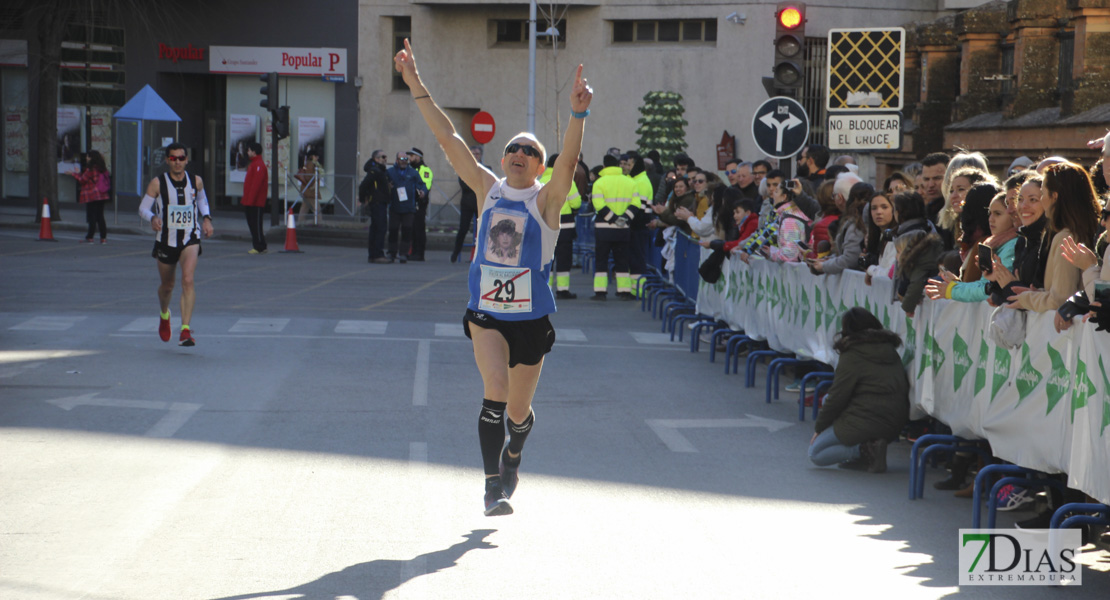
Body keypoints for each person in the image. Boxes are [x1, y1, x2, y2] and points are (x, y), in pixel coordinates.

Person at [394, 37, 592, 516]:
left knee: (519, 416)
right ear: (503, 159)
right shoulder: (487, 187)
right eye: (512, 148)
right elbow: (448, 139)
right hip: (486, 313)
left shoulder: (546, 199)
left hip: (532, 317)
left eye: (530, 150)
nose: (519, 153)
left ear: (539, 165)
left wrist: (578, 116)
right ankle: (490, 488)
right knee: (495, 391)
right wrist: (415, 82)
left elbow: (568, 164)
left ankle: (514, 454)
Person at [808, 307, 909, 474]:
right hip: (893, 421)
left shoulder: (852, 355)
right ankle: (869, 447)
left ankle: (864, 451)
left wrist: (818, 429)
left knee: (815, 453)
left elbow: (837, 397)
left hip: (866, 418)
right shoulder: (889, 349)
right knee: (828, 401)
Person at [137, 143, 214, 347]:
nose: (177, 162)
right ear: (167, 160)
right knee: (167, 286)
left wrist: (206, 218)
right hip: (166, 240)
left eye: (181, 158)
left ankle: (185, 330)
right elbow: (143, 208)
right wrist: (152, 217)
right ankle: (164, 314)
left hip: (190, 237)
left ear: (186, 160)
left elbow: (202, 200)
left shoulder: (195, 181)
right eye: (173, 158)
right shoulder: (157, 183)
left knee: (188, 280)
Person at [1000, 161, 1101, 313]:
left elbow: (1060, 299)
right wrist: (1035, 294)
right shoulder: (1086, 231)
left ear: (1054, 197)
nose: (1041, 200)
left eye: (1042, 193)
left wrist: (1026, 299)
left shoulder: (1065, 238)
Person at [590, 154, 639, 300]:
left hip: (603, 228)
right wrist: (623, 219)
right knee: (622, 260)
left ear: (604, 166)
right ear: (618, 165)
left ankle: (600, 292)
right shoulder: (630, 182)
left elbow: (599, 205)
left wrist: (613, 219)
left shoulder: (599, 183)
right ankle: (624, 291)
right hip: (623, 229)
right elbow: (636, 204)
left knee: (601, 260)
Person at [539, 153, 583, 299]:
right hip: (565, 226)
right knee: (564, 259)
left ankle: (546, 288)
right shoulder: (567, 181)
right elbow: (576, 203)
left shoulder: (541, 181)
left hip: (545, 226)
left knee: (547, 258)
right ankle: (563, 290)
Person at [386, 151, 427, 263]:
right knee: (393, 230)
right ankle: (392, 252)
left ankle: (404, 253)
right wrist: (387, 187)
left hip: (409, 207)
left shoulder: (413, 173)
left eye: (405, 159)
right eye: (401, 159)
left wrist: (423, 191)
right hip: (394, 206)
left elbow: (422, 184)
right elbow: (383, 185)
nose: (404, 161)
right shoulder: (390, 172)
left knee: (407, 230)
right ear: (396, 160)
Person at [452, 145, 487, 263]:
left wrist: (476, 184)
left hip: (480, 202)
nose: (475, 156)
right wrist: (477, 185)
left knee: (483, 229)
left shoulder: (486, 169)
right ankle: (455, 253)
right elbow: (465, 185)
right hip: (467, 203)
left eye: (477, 154)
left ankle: (482, 255)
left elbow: (487, 185)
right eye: (473, 154)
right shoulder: (463, 169)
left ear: (480, 155)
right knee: (463, 228)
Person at [69, 149, 111, 244]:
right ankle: (103, 237)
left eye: (88, 156)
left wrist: (73, 174)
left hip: (92, 195)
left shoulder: (90, 169)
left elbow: (82, 180)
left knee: (92, 216)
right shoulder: (102, 168)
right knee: (100, 216)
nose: (86, 158)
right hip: (102, 194)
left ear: (91, 158)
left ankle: (90, 236)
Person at [360, 150, 393, 263]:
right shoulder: (375, 171)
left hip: (380, 202)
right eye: (383, 156)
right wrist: (362, 199)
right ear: (376, 159)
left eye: (386, 156)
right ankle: (378, 254)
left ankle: (373, 255)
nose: (385, 159)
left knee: (376, 229)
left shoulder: (380, 171)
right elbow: (363, 185)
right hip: (377, 203)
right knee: (380, 229)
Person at [240, 142, 268, 254]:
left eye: (249, 150)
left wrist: (250, 201)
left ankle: (259, 245)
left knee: (255, 224)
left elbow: (256, 185)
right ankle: (260, 244)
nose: (248, 152)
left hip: (255, 202)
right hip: (251, 201)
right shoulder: (254, 164)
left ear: (254, 151)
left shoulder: (258, 165)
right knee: (253, 224)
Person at [408, 147, 432, 261]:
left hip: (420, 203)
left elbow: (426, 186)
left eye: (412, 156)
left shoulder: (424, 170)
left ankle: (419, 253)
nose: (409, 158)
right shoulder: (409, 169)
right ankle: (412, 251)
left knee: (419, 228)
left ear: (418, 157)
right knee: (412, 229)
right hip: (410, 202)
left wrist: (419, 193)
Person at [295, 150, 323, 219]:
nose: (317, 158)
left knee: (304, 208)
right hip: (311, 190)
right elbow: (308, 177)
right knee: (317, 208)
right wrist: (313, 184)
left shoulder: (308, 164)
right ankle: (319, 223)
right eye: (316, 156)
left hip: (307, 190)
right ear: (312, 156)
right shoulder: (311, 164)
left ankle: (300, 222)